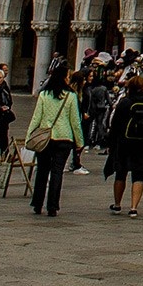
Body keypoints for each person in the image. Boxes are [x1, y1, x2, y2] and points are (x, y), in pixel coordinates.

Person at [27, 63, 86, 217]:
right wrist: (80, 142)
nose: (69, 79)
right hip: (64, 139)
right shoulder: (71, 96)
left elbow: (36, 118)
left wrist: (29, 136)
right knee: (57, 172)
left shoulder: (44, 95)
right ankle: (52, 206)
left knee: (42, 171)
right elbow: (75, 122)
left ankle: (37, 204)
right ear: (63, 78)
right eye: (68, 76)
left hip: (46, 138)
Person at [106, 73, 143, 217]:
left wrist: (111, 143)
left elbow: (115, 124)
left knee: (121, 173)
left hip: (124, 142)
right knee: (139, 175)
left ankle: (117, 204)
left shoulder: (125, 102)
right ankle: (133, 207)